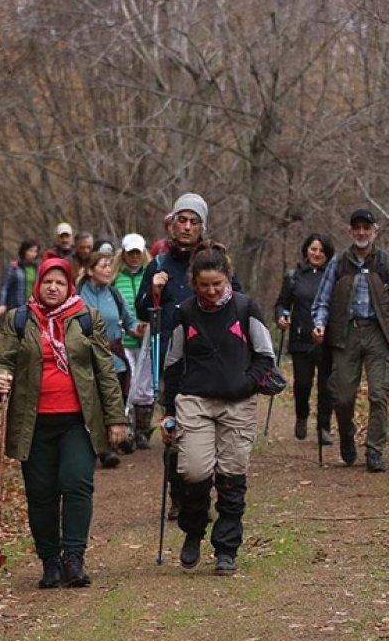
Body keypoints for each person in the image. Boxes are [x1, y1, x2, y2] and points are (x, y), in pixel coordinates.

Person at [0, 258, 127, 589]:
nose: (53, 287)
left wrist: (116, 418)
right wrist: (0, 376)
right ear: (39, 285)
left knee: (76, 484)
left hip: (78, 421)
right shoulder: (19, 319)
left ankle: (74, 559)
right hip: (33, 422)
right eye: (48, 282)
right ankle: (50, 562)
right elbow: (2, 360)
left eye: (60, 283)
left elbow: (105, 371)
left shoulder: (87, 318)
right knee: (41, 494)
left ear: (69, 286)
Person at [160, 244, 275, 576]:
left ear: (228, 278)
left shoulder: (246, 308)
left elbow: (265, 357)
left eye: (217, 284)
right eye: (204, 285)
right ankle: (194, 529)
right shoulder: (185, 312)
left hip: (238, 403)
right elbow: (173, 363)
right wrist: (168, 410)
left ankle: (226, 548)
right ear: (194, 283)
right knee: (194, 472)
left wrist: (246, 383)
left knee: (231, 476)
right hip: (194, 401)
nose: (211, 291)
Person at [135, 193, 241, 520]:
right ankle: (178, 496)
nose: (187, 227)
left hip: (209, 358)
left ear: (201, 227)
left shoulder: (215, 259)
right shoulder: (159, 263)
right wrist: (153, 289)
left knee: (208, 430)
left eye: (194, 222)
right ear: (172, 223)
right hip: (171, 358)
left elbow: (236, 300)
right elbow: (142, 309)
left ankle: (201, 492)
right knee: (174, 427)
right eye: (182, 220)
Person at [311, 209, 389, 473]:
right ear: (350, 231)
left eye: (366, 228)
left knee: (379, 394)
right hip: (345, 334)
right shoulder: (338, 263)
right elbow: (322, 300)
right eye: (357, 228)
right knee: (342, 397)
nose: (361, 232)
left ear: (374, 232)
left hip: (379, 335)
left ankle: (374, 451)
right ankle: (347, 435)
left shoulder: (387, 263)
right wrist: (319, 324)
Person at [78, 251, 141, 467]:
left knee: (115, 400)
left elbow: (130, 323)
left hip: (115, 357)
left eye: (109, 266)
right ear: (90, 271)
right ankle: (101, 448)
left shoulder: (114, 294)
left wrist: (140, 329)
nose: (108, 270)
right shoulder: (77, 296)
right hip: (86, 357)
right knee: (94, 402)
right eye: (103, 266)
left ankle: (113, 443)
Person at [274, 233, 336, 443]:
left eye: (321, 250)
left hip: (327, 340)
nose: (317, 254)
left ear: (328, 254)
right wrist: (282, 317)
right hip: (301, 338)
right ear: (306, 251)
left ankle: (324, 427)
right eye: (313, 249)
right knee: (302, 384)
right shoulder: (294, 276)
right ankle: (301, 415)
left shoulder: (333, 277)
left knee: (327, 386)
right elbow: (282, 304)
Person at [114, 233, 153, 449]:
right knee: (126, 383)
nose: (135, 257)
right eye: (131, 253)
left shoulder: (151, 275)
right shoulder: (115, 277)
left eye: (138, 252)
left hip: (147, 338)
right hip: (124, 340)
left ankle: (142, 431)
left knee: (145, 385)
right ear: (124, 254)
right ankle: (125, 429)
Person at [0, 240, 42, 318]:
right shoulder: (14, 268)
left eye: (35, 251)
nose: (33, 254)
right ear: (24, 251)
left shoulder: (38, 268)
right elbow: (5, 287)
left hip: (34, 307)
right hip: (17, 307)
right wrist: (2, 304)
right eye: (30, 251)